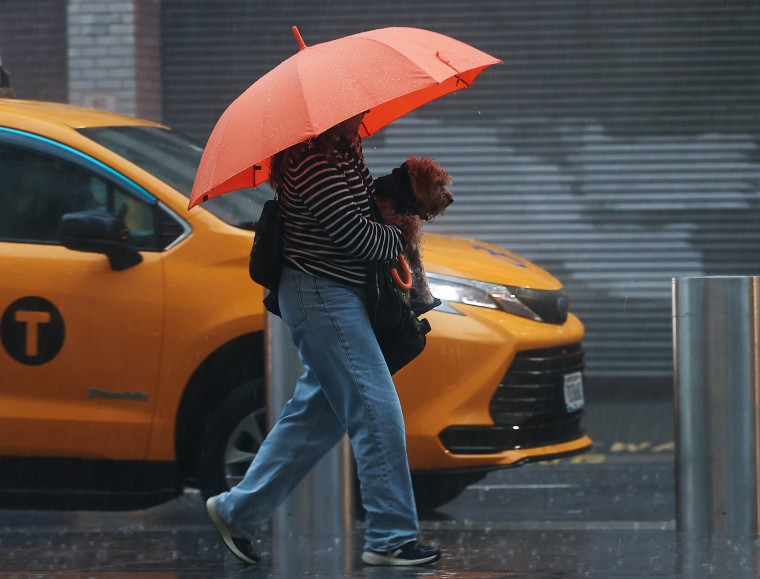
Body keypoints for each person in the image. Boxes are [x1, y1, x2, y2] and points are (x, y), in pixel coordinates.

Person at [205, 111, 441, 567]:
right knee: (376, 409)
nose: (365, 117)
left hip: (337, 296)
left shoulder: (343, 153)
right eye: (357, 112)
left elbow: (360, 216)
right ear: (332, 115)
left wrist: (393, 205)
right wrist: (400, 233)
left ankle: (238, 511)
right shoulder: (313, 162)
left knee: (318, 417)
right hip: (322, 298)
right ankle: (390, 537)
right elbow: (355, 237)